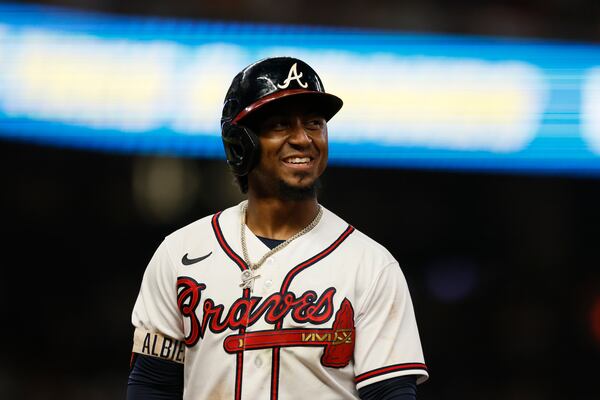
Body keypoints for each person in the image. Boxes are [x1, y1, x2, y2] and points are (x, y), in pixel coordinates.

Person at [127, 56, 428, 400]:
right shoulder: (179, 254)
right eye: (281, 125)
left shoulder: (372, 265)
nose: (303, 139)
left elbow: (391, 393)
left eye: (314, 123)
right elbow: (153, 385)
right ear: (241, 142)